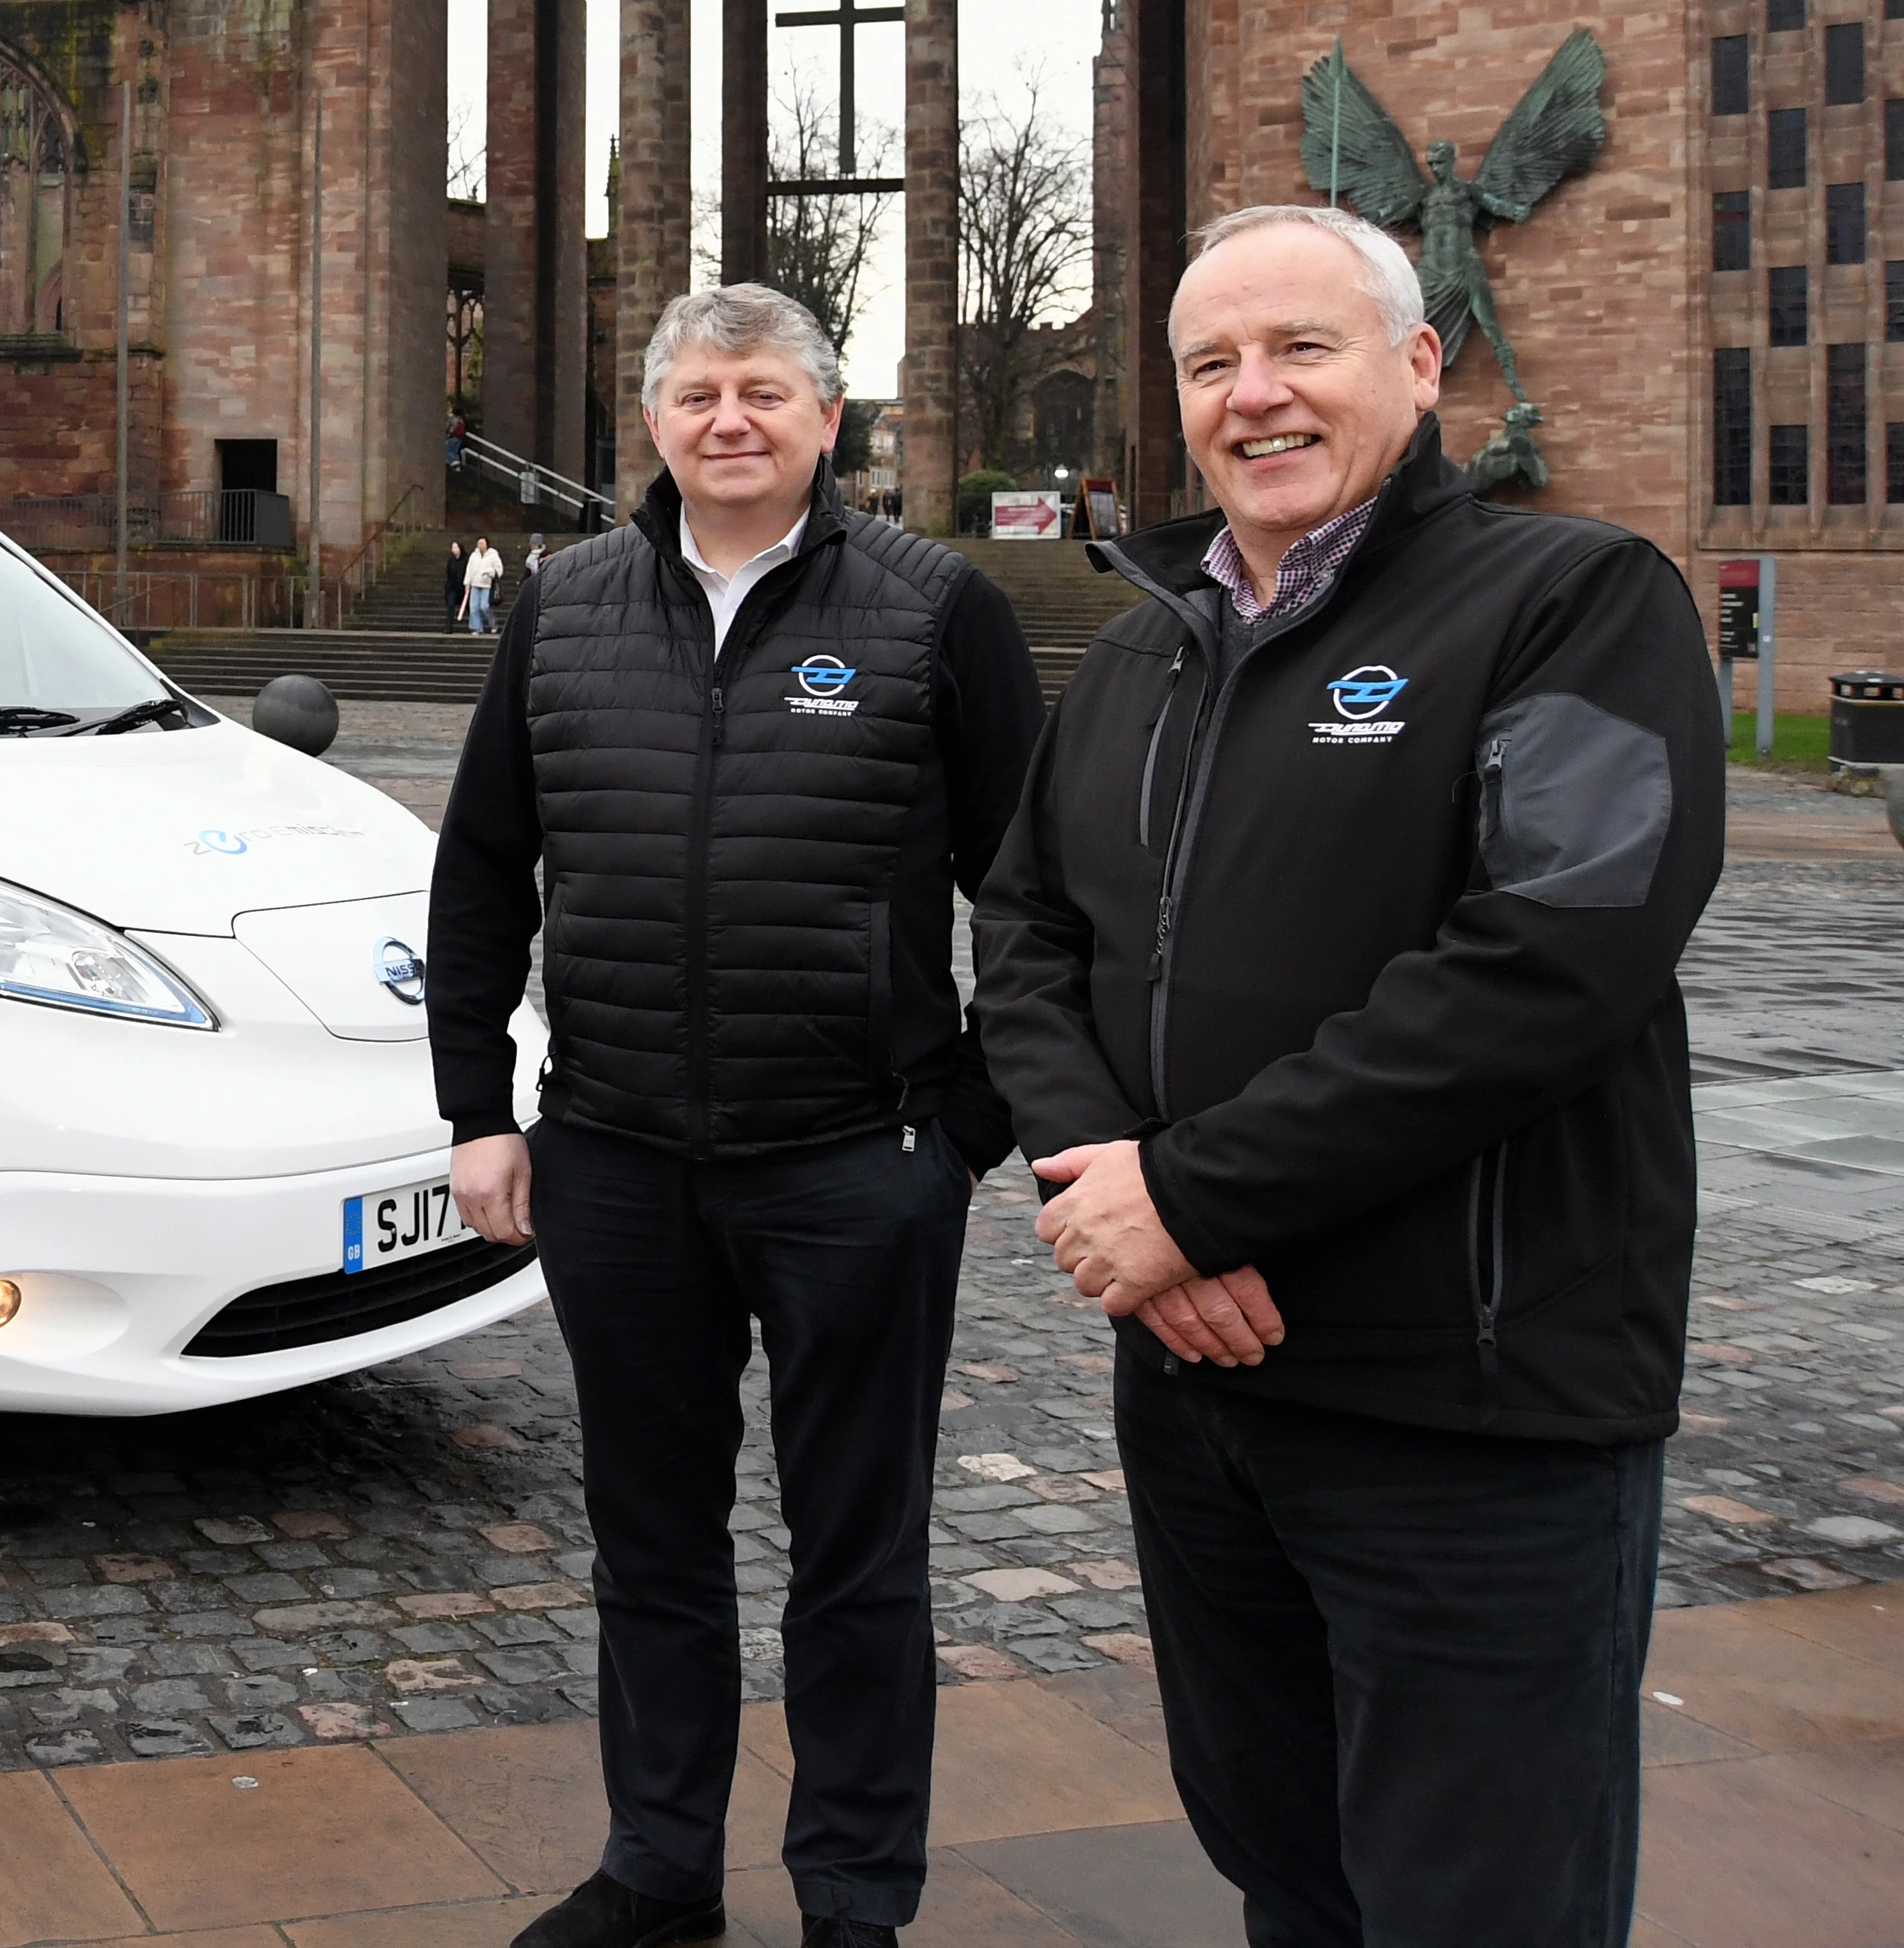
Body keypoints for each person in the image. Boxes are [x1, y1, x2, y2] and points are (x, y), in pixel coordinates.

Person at [974, 202, 1721, 1948]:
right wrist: (1104, 1173)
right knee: (1282, 1861)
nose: (1254, 396)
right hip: (1202, 1386)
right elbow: (1022, 931)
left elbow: (1550, 960)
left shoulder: (1571, 600)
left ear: (1417, 364)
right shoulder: (1145, 649)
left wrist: (1193, 1194)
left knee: (1480, 1898)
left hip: (1471, 1403)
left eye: (1300, 347)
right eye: (1211, 363)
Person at [425, 285, 1044, 1948]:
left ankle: (853, 1890)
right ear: (654, 420)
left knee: (860, 1550)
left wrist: (964, 1124)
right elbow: (482, 868)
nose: (730, 419)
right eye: (697, 392)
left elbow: (1040, 897)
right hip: (618, 1157)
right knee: (651, 1537)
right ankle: (658, 1864)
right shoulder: (561, 611)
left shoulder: (935, 610)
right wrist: (478, 1110)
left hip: (857, 1161)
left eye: (766, 391)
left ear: (828, 419)